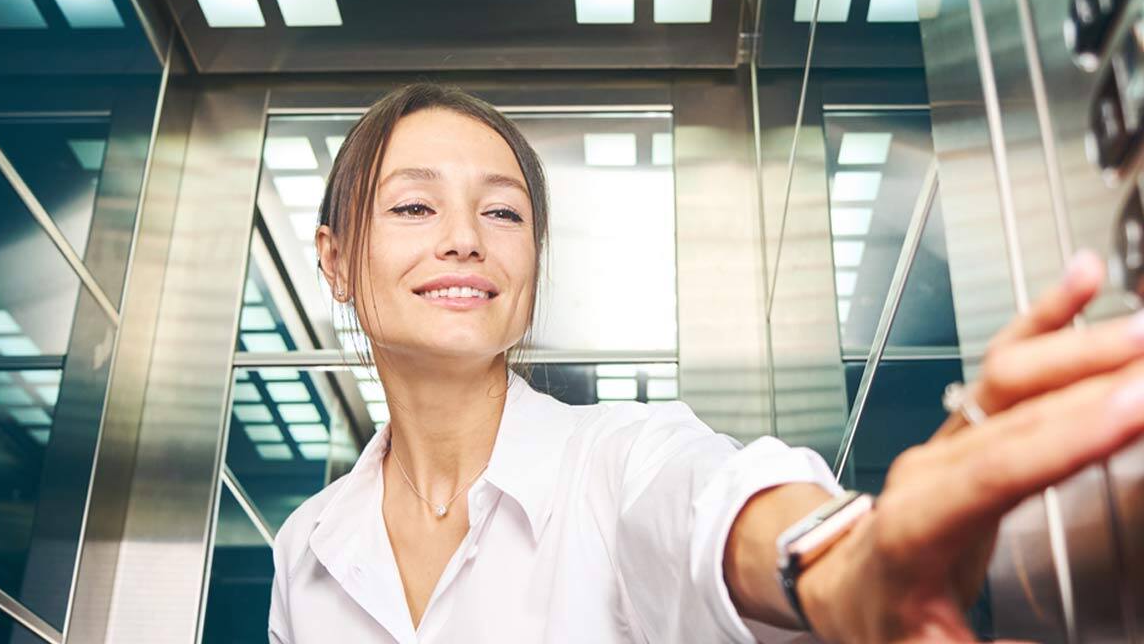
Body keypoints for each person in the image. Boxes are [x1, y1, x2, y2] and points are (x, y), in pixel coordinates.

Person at [266, 83, 1144, 643]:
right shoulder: (306, 545)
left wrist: (837, 559)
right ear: (336, 258)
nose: (463, 240)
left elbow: (711, 507)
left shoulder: (617, 460)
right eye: (414, 206)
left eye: (503, 214)